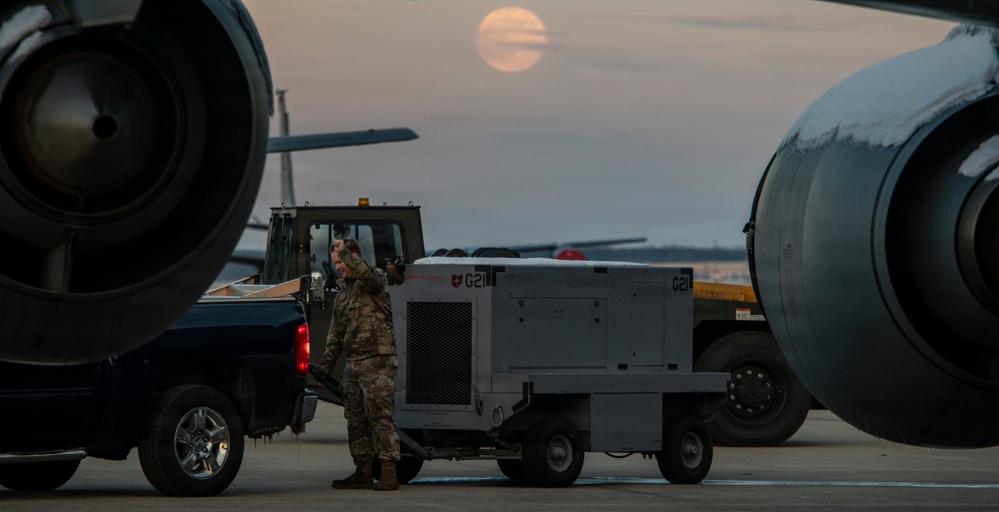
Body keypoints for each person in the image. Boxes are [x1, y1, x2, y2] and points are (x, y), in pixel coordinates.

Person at [321, 238, 401, 491]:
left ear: (354, 257)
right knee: (355, 420)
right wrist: (325, 367)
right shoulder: (343, 296)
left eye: (342, 262)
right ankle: (363, 471)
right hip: (353, 364)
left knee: (380, 417)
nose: (339, 268)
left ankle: (389, 472)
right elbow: (335, 335)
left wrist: (343, 251)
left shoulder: (374, 281)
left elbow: (366, 274)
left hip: (377, 362)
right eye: (336, 263)